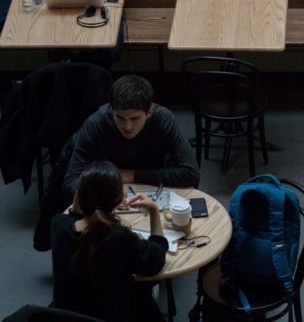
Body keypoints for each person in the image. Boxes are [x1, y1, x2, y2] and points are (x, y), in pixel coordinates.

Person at [51, 161, 167, 322]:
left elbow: (73, 218)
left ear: (79, 194)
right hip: (113, 315)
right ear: (120, 199)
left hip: (67, 315)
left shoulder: (58, 225)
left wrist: (80, 202)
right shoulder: (120, 237)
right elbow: (156, 261)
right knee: (149, 288)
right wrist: (154, 211)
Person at [63, 74, 199, 199]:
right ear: (112, 110)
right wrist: (106, 183)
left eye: (135, 119)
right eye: (120, 118)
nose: (127, 127)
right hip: (107, 196)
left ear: (149, 112)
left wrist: (132, 175)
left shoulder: (163, 119)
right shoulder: (95, 124)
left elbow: (191, 173)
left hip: (151, 194)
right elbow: (70, 182)